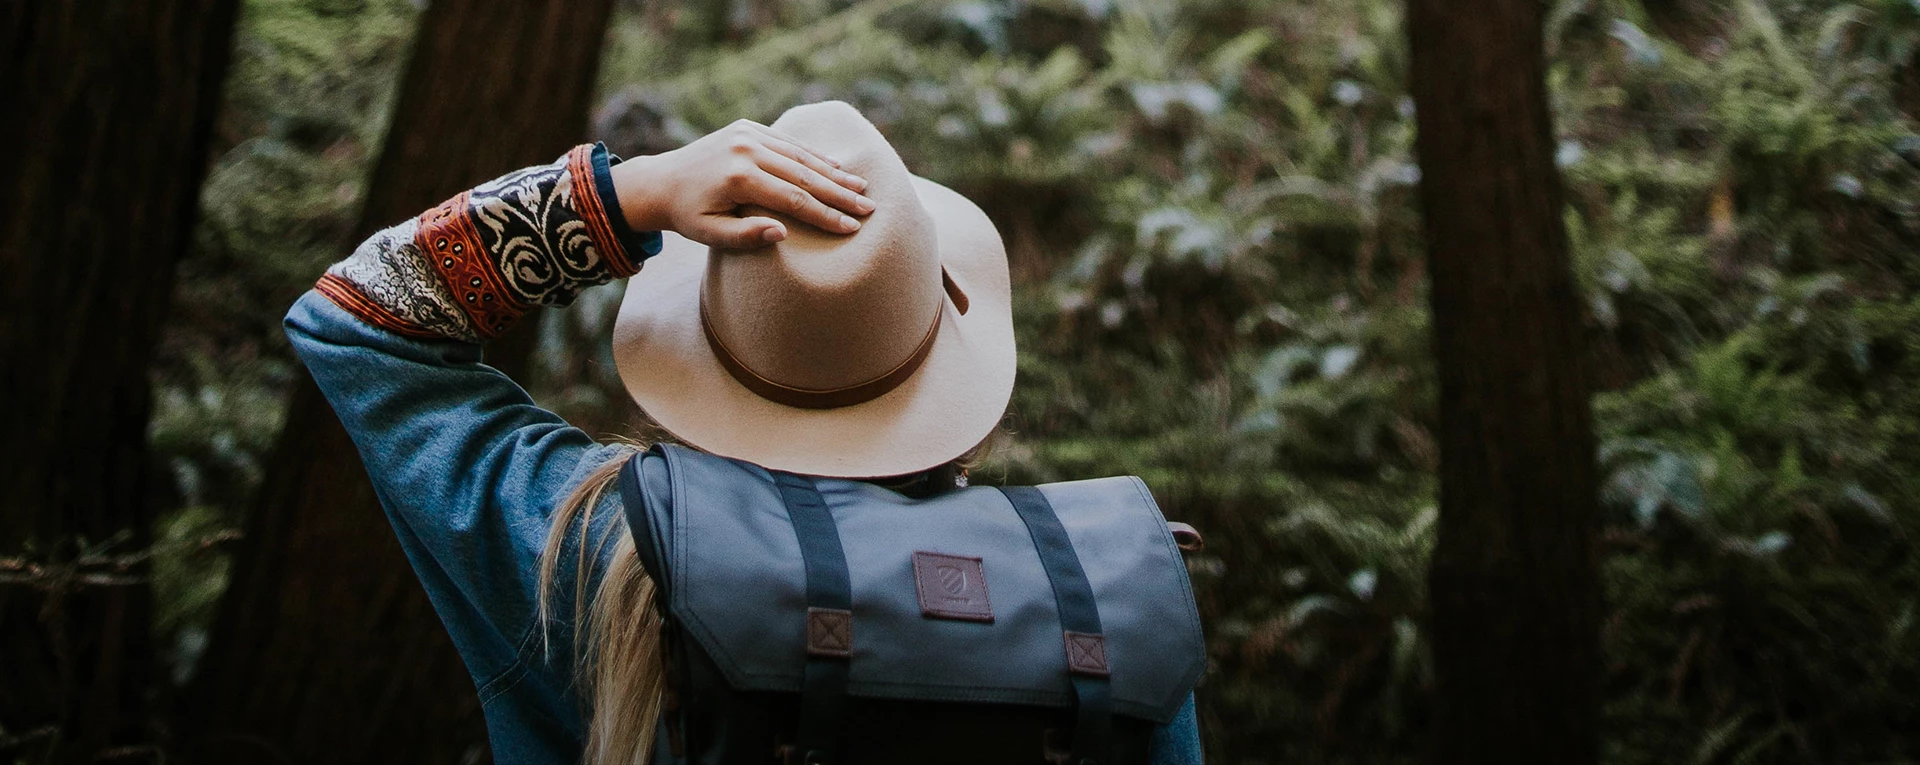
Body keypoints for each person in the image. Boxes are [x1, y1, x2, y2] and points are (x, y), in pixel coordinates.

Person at [288, 101, 1203, 764]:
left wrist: (628, 194)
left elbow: (360, 320)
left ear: (705, 343)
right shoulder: (1101, 590)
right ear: (943, 341)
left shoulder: (597, 552)